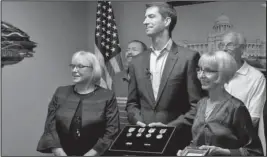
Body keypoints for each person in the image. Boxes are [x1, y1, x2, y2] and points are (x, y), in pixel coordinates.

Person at [126, 1, 204, 140]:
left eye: (151, 17)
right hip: (142, 138)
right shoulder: (136, 61)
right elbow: (132, 104)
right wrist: (138, 122)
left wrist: (170, 127)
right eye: (145, 17)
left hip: (176, 140)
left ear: (167, 21)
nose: (144, 21)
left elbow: (197, 106)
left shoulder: (188, 58)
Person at [177, 50, 263, 156]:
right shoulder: (201, 104)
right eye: (199, 70)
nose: (201, 75)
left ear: (224, 73)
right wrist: (186, 152)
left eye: (208, 71)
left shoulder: (236, 108)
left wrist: (224, 152)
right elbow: (197, 142)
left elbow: (255, 152)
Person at [37, 51, 120, 156]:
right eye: (73, 66)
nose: (74, 70)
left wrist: (91, 154)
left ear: (93, 70)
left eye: (80, 66)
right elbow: (50, 127)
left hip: (98, 153)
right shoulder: (61, 92)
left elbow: (112, 131)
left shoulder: (107, 95)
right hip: (65, 153)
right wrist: (60, 153)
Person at [219, 31, 266, 129]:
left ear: (242, 49)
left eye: (230, 45)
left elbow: (254, 119)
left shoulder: (256, 78)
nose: (224, 49)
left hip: (238, 139)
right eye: (222, 45)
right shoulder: (214, 74)